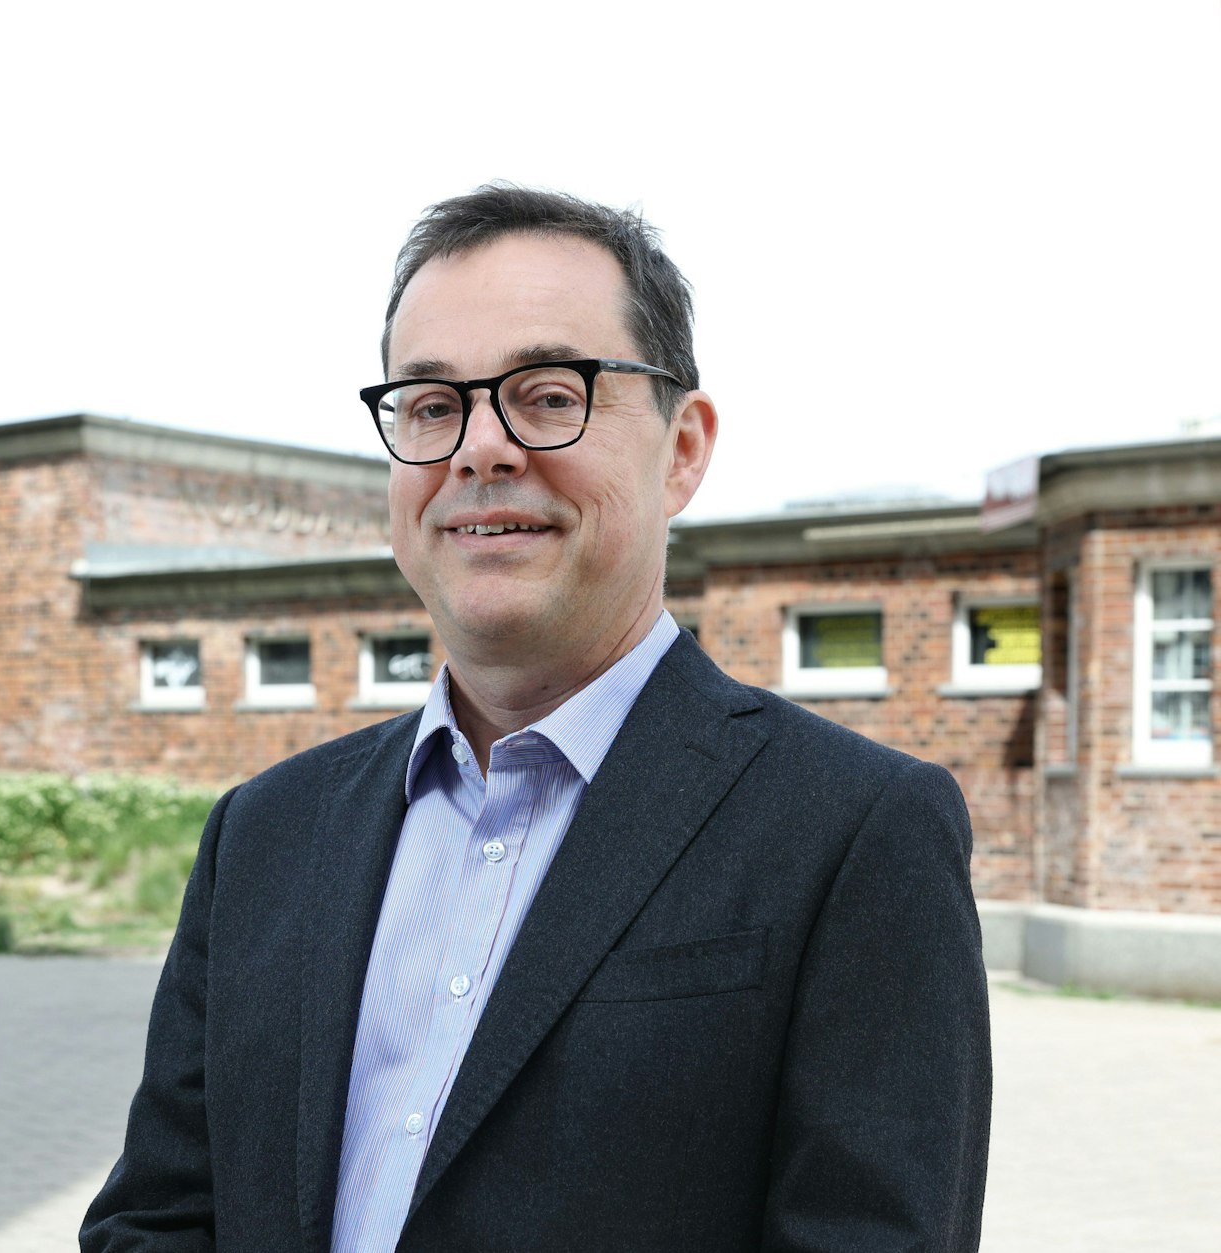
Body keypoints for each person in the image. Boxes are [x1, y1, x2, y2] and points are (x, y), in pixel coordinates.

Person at [82, 184, 991, 1252]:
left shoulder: (854, 831)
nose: (478, 448)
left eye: (546, 394)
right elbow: (157, 1217)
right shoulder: (265, 832)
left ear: (683, 447)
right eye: (429, 406)